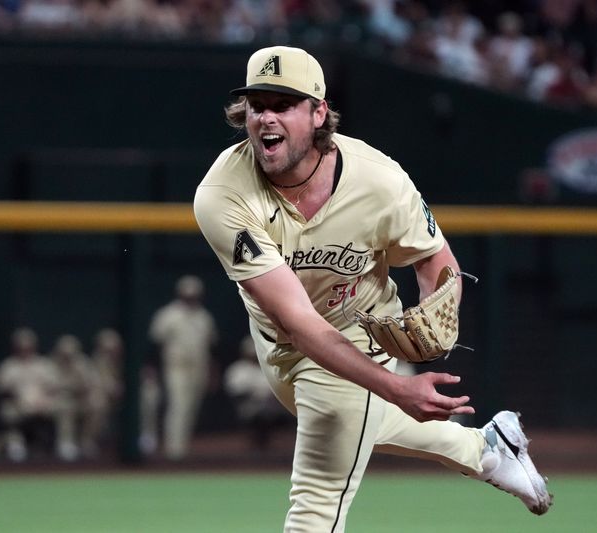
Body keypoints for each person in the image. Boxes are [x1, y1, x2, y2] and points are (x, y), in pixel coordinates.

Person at [194, 45, 553, 531]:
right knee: (364, 424)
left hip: (358, 334)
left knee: (318, 500)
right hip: (280, 345)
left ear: (319, 112)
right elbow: (297, 322)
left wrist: (436, 314)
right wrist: (397, 389)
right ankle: (488, 449)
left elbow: (435, 259)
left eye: (283, 105)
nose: (265, 118)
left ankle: (486, 449)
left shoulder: (378, 180)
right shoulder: (223, 193)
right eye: (257, 105)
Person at [148, 275, 218, 460]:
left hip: (199, 366)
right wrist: (153, 369)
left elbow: (210, 346)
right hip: (176, 366)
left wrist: (211, 371)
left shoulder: (204, 317)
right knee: (178, 405)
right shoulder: (168, 315)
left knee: (191, 408)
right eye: (187, 295)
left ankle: (183, 448)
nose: (190, 298)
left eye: (194, 295)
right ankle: (174, 450)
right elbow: (156, 343)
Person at [0, 327, 60, 462]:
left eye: (28, 347)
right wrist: (16, 398)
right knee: (7, 412)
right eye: (21, 347)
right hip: (17, 405)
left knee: (62, 406)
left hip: (42, 404)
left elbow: (54, 388)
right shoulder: (8, 366)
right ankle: (15, 444)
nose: (25, 350)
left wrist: (44, 400)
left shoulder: (44, 364)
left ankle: (63, 445)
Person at [224, 335, 290, 450]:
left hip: (273, 407)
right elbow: (236, 394)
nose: (255, 356)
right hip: (248, 408)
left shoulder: (272, 368)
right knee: (259, 415)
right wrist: (256, 396)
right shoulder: (239, 369)